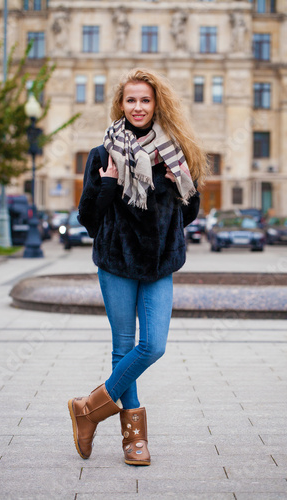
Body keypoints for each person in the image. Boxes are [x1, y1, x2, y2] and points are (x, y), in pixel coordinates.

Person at [68, 68, 208, 466]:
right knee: (123, 347)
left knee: (154, 346)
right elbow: (88, 219)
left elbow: (189, 214)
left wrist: (180, 181)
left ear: (156, 104)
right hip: (116, 263)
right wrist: (110, 184)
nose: (138, 106)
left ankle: (89, 408)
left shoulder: (176, 153)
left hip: (159, 265)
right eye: (131, 100)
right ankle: (134, 441)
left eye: (145, 100)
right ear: (121, 104)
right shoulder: (102, 153)